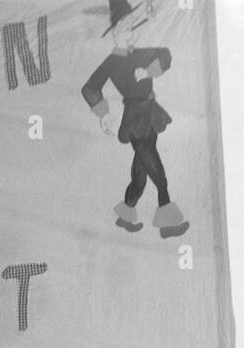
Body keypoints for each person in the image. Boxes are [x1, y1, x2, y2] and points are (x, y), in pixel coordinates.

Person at [81, 0, 189, 238]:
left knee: (140, 171)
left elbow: (165, 54)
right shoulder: (111, 62)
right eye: (124, 30)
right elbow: (89, 88)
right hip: (135, 120)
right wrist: (104, 115)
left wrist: (148, 71)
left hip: (150, 115)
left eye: (131, 29)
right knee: (155, 169)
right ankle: (167, 221)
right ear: (114, 34)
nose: (129, 34)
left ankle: (126, 214)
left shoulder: (139, 55)